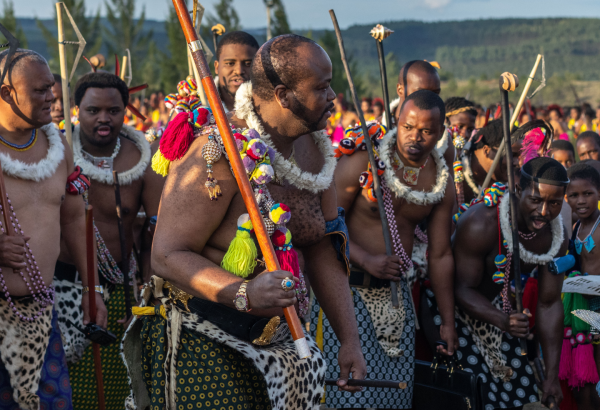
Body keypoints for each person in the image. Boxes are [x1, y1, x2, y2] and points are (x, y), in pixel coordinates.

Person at [122, 34, 366, 409]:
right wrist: (244, 292)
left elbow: (322, 246)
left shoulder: (316, 154)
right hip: (203, 337)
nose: (333, 96)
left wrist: (349, 340)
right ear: (284, 96)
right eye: (322, 87)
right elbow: (167, 254)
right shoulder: (219, 152)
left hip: (285, 343)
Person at [320, 90, 457, 409]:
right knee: (347, 397)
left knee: (393, 398)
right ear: (397, 121)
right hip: (345, 292)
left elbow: (440, 254)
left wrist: (447, 322)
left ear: (440, 133)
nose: (415, 138)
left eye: (426, 131)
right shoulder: (365, 158)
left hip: (397, 299)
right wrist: (367, 260)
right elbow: (323, 225)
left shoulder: (439, 178)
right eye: (408, 127)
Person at [0, 48, 107, 410]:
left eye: (51, 88)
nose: (52, 97)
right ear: (5, 94)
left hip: (41, 315)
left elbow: (75, 219)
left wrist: (92, 289)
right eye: (39, 90)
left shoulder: (57, 145)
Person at [51, 72, 163, 409]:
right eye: (93, 110)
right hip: (64, 286)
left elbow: (154, 231)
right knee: (65, 387)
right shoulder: (56, 154)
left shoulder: (142, 159)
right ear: (76, 110)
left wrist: (145, 294)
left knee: (117, 387)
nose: (103, 118)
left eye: (113, 111)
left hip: (123, 288)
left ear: (125, 110)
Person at [452, 157, 568, 409]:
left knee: (522, 395)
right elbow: (461, 288)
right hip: (450, 314)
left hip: (497, 315)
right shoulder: (481, 221)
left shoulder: (555, 236)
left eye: (554, 203)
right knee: (475, 397)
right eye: (536, 200)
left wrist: (551, 376)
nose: (544, 212)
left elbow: (549, 304)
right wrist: (503, 320)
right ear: (518, 190)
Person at [564, 163, 600, 410]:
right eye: (574, 195)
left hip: (597, 308)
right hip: (580, 309)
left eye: (588, 193)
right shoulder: (576, 227)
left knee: (595, 371)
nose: (581, 201)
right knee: (582, 378)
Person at [457, 119, 523, 204]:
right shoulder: (453, 176)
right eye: (512, 155)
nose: (517, 163)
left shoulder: (513, 184)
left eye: (518, 156)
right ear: (486, 151)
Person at [214, 30, 260, 112]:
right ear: (217, 67)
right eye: (230, 63)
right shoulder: (196, 104)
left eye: (248, 64)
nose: (239, 71)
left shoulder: (272, 107)